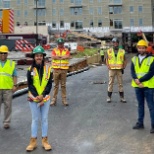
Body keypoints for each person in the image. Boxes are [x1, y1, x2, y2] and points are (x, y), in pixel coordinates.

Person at [26, 46, 52, 151]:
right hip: (34, 98)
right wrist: (37, 96)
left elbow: (49, 84)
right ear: (34, 57)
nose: (39, 57)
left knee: (44, 119)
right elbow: (30, 85)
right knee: (35, 119)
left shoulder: (48, 69)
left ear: (43, 57)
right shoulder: (30, 70)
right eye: (37, 55)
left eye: (40, 55)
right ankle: (33, 142)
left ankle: (45, 141)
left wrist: (43, 95)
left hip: (45, 98)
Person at [131, 39, 154, 133]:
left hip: (148, 86)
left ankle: (153, 126)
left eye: (143, 48)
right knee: (140, 105)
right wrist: (136, 80)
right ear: (137, 48)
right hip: (137, 86)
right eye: (139, 48)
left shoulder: (152, 59)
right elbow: (133, 71)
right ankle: (140, 123)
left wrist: (139, 80)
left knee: (151, 106)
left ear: (146, 48)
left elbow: (151, 73)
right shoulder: (134, 59)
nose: (141, 50)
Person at [0, 45, 17, 129]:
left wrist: (14, 85)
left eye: (4, 53)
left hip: (7, 88)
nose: (3, 55)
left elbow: (15, 75)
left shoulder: (11, 64)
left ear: (7, 54)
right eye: (1, 53)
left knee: (8, 106)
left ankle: (6, 122)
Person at [106, 37, 127, 103]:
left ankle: (122, 97)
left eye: (116, 42)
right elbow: (107, 60)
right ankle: (109, 97)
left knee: (120, 83)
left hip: (119, 69)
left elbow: (125, 60)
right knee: (110, 83)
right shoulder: (109, 51)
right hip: (111, 69)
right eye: (114, 42)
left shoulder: (122, 51)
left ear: (118, 43)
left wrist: (124, 67)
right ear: (112, 43)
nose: (115, 44)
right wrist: (108, 66)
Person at [50, 37, 70, 106]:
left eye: (61, 44)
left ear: (63, 44)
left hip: (64, 70)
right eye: (59, 44)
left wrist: (58, 57)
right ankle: (54, 99)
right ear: (57, 44)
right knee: (56, 85)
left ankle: (64, 99)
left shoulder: (66, 50)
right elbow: (53, 57)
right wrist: (62, 57)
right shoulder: (54, 50)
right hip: (56, 70)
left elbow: (67, 56)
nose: (60, 45)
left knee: (63, 85)